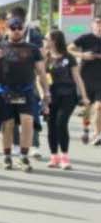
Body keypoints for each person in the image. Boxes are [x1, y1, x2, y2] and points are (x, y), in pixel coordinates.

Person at [0, 11, 47, 172]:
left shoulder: (32, 49)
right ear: (7, 30)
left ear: (23, 29)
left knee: (27, 121)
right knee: (8, 124)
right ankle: (7, 156)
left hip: (26, 90)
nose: (16, 30)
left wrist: (46, 92)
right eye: (13, 27)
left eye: (19, 27)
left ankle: (24, 156)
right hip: (5, 91)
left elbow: (41, 72)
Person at [43, 31, 84, 170]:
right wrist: (44, 93)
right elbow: (41, 77)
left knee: (61, 122)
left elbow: (77, 77)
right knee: (51, 125)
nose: (45, 41)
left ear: (54, 40)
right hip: (50, 96)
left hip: (68, 95)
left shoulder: (69, 57)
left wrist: (84, 96)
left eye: (47, 39)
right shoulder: (45, 57)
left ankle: (64, 157)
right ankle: (54, 156)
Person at [73, 13, 101, 147]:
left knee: (99, 107)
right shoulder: (85, 38)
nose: (99, 26)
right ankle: (85, 129)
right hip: (86, 78)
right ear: (92, 25)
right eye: (98, 22)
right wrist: (82, 55)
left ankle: (97, 134)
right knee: (87, 107)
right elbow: (68, 49)